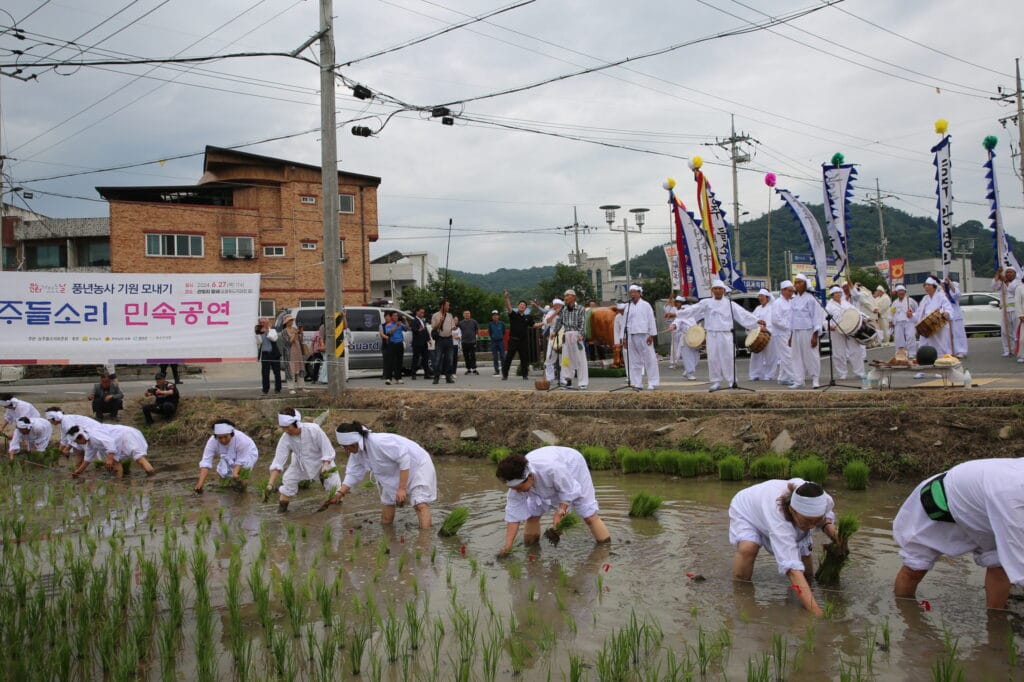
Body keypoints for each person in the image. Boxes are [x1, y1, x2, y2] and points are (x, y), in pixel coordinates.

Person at [892, 458, 1024, 610]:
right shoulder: (1011, 498)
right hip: (945, 502)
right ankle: (905, 612)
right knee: (915, 568)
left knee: (1000, 565)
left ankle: (996, 619)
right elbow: (1020, 565)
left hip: (985, 509)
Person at [729, 479, 839, 616]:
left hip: (778, 509)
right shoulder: (778, 519)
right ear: (792, 510)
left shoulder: (822, 498)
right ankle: (742, 596)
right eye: (808, 521)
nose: (812, 527)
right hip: (747, 510)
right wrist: (817, 613)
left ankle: (803, 594)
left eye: (815, 521)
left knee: (807, 573)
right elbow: (791, 569)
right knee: (748, 548)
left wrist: (835, 536)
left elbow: (825, 519)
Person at [494, 447, 611, 556]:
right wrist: (508, 545)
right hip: (547, 475)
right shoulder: (517, 486)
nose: (517, 491)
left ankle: (605, 550)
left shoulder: (552, 468)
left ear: (529, 476)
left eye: (519, 488)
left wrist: (560, 511)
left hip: (572, 466)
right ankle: (531, 551)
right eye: (514, 489)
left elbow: (568, 490)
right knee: (533, 516)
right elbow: (513, 516)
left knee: (588, 515)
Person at [331, 422, 438, 528]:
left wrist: (401, 489)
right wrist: (339, 494)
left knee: (419, 504)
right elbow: (353, 474)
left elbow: (404, 459)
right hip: (392, 472)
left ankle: (424, 541)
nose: (346, 451)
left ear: (354, 442)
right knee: (387, 503)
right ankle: (388, 534)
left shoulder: (379, 442)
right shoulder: (357, 452)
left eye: (346, 447)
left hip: (417, 466)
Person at [677, 280, 762, 392]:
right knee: (713, 358)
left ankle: (732, 381)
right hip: (712, 334)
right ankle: (716, 381)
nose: (717, 291)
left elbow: (743, 314)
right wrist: (677, 314)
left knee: (728, 358)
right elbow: (693, 309)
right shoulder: (706, 302)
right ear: (712, 290)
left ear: (724, 290)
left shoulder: (729, 303)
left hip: (725, 334)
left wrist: (757, 321)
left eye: (720, 289)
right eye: (715, 289)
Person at [266, 407, 340, 512]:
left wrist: (325, 465)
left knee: (335, 491)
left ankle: (334, 514)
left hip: (322, 462)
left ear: (296, 423)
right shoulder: (285, 437)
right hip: (299, 464)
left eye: (287, 427)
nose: (285, 431)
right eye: (283, 428)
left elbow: (327, 449)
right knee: (288, 481)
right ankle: (282, 512)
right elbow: (278, 461)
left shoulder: (314, 430)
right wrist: (270, 484)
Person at [67, 423, 156, 479]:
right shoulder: (90, 442)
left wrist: (109, 459)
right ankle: (119, 484)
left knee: (139, 459)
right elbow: (87, 459)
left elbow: (110, 442)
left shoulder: (94, 435)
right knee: (115, 463)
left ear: (80, 437)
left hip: (127, 436)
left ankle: (152, 478)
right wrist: (78, 472)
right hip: (119, 442)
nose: (78, 444)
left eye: (76, 441)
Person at [194, 419, 259, 494]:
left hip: (247, 453)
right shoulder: (212, 442)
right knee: (223, 475)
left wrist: (235, 473)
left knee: (240, 477)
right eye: (220, 438)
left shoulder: (241, 440)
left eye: (226, 437)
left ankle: (243, 495)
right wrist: (200, 483)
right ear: (216, 436)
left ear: (231, 434)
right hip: (227, 455)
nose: (223, 440)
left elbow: (241, 459)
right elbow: (206, 462)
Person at [787, 274, 826, 389]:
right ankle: (799, 380)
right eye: (796, 282)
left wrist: (815, 335)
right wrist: (791, 335)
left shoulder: (811, 299)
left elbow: (816, 318)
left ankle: (815, 379)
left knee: (811, 356)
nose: (797, 285)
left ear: (805, 284)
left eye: (799, 282)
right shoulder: (794, 300)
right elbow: (792, 319)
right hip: (796, 331)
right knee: (796, 356)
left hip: (808, 331)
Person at [912, 277, 953, 376]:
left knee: (940, 347)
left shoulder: (941, 296)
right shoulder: (925, 299)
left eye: (928, 285)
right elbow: (918, 313)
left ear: (934, 287)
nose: (926, 287)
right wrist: (911, 315)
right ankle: (922, 370)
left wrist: (947, 313)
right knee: (922, 347)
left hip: (938, 326)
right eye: (925, 285)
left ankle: (940, 369)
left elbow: (948, 308)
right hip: (926, 326)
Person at [621, 284, 660, 390]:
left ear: (639, 293)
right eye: (631, 292)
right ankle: (637, 383)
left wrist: (651, 335)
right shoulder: (628, 306)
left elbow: (651, 320)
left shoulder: (646, 305)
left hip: (644, 335)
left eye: (634, 292)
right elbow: (624, 322)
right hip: (631, 335)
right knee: (634, 361)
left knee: (649, 359)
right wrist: (623, 338)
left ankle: (652, 382)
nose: (632, 294)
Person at [825, 285, 865, 381]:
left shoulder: (846, 303)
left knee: (856, 350)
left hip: (850, 329)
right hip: (836, 331)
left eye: (839, 293)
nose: (838, 294)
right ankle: (842, 373)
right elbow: (824, 319)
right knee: (838, 353)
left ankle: (860, 372)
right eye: (836, 293)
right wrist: (829, 326)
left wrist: (865, 317)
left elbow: (856, 312)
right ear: (832, 295)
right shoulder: (828, 306)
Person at [552, 289, 589, 389]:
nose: (565, 298)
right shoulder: (563, 310)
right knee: (565, 359)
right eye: (564, 296)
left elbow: (583, 323)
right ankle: (567, 380)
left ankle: (583, 383)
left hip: (577, 334)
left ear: (573, 297)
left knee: (580, 359)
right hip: (566, 334)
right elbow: (559, 322)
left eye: (567, 296)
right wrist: (554, 332)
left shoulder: (581, 308)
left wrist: (581, 334)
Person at [502, 292, 535, 381]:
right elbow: (509, 307)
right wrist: (506, 298)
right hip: (513, 340)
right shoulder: (513, 314)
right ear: (518, 306)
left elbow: (534, 325)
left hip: (523, 341)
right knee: (509, 358)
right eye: (521, 305)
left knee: (524, 359)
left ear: (526, 308)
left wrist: (545, 322)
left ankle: (525, 375)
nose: (522, 306)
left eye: (524, 305)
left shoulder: (528, 317)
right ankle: (505, 375)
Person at [749, 289, 779, 382]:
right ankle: (755, 374)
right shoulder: (757, 308)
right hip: (758, 334)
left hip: (769, 334)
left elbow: (773, 321)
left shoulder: (772, 308)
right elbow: (753, 320)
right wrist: (752, 328)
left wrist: (767, 329)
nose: (760, 298)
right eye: (759, 296)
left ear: (767, 297)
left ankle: (769, 374)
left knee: (770, 355)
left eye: (762, 296)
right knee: (755, 354)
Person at [667, 296, 699, 381]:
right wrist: (672, 326)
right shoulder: (680, 313)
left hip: (695, 335)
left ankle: (687, 371)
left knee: (696, 355)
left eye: (677, 302)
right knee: (687, 355)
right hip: (686, 336)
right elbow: (677, 321)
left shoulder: (689, 311)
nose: (676, 303)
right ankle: (690, 373)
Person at [991, 267, 1020, 357]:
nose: (1008, 274)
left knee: (1016, 331)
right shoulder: (1001, 282)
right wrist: (997, 274)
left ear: (1014, 274)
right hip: (1004, 309)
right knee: (1005, 331)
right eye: (1007, 272)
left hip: (1016, 309)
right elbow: (993, 287)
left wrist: (1006, 282)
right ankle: (1008, 349)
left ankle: (1017, 349)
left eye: (1010, 272)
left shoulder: (1018, 283)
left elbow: (1013, 290)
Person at [771, 281, 796, 386]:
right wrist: (788, 326)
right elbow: (776, 320)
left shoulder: (790, 302)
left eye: (792, 291)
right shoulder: (777, 303)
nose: (791, 293)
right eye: (789, 291)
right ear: (783, 291)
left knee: (786, 356)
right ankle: (794, 377)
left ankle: (783, 378)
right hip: (780, 333)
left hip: (788, 333)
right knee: (788, 356)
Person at [430, 300, 457, 384]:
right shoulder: (435, 315)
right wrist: (440, 321)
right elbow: (434, 327)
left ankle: (448, 377)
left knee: (450, 359)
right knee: (438, 359)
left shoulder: (450, 315)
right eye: (447, 305)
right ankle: (436, 377)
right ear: (442, 306)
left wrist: (454, 327)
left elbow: (453, 326)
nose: (448, 307)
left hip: (449, 339)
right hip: (440, 340)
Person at [890, 285, 918, 357]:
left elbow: (918, 310)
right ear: (897, 293)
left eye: (902, 291)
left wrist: (913, 314)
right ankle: (900, 353)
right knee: (899, 338)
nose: (901, 293)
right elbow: (891, 312)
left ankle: (912, 353)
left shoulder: (910, 300)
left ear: (905, 292)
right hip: (898, 322)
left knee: (910, 337)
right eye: (899, 291)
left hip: (909, 321)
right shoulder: (894, 303)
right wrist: (890, 321)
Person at [256, 319, 282, 395]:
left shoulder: (272, 330)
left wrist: (266, 332)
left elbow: (274, 339)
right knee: (265, 373)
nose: (262, 324)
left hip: (274, 354)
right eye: (260, 323)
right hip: (265, 354)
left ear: (268, 323)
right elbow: (259, 342)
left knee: (277, 372)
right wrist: (257, 334)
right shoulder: (260, 332)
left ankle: (278, 389)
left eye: (263, 322)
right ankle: (265, 390)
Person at [943, 278, 968, 359]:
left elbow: (957, 294)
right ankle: (950, 351)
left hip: (956, 316)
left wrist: (950, 283)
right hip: (946, 316)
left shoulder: (955, 292)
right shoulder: (942, 293)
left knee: (958, 334)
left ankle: (961, 351)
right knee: (947, 335)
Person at [542, 299, 564, 385]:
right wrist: (555, 313)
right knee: (549, 356)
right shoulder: (550, 312)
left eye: (558, 305)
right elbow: (546, 322)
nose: (556, 306)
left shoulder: (565, 312)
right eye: (555, 305)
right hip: (552, 335)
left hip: (563, 335)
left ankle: (563, 378)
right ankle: (550, 378)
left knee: (564, 358)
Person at [282, 315, 305, 392]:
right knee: (291, 370)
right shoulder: (284, 331)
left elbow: (300, 340)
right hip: (290, 353)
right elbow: (288, 342)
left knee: (300, 369)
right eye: (290, 320)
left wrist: (301, 333)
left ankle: (301, 387)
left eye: (292, 320)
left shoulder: (295, 329)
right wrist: (294, 334)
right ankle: (291, 388)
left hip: (298, 351)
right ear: (286, 322)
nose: (291, 322)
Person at [383, 311, 407, 385]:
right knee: (390, 361)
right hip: (392, 344)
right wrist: (396, 326)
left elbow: (406, 328)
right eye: (394, 316)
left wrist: (405, 320)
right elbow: (389, 333)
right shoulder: (388, 324)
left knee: (399, 362)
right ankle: (388, 378)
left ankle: (398, 378)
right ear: (391, 317)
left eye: (396, 316)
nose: (395, 317)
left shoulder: (400, 324)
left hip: (400, 344)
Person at [409, 307, 433, 380]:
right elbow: (413, 330)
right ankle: (413, 374)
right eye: (421, 312)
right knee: (415, 359)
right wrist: (418, 330)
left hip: (424, 343)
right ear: (417, 312)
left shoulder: (423, 321)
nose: (422, 314)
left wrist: (429, 339)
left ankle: (426, 374)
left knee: (425, 358)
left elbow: (425, 331)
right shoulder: (414, 320)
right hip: (417, 343)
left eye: (423, 312)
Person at [458, 310, 480, 375]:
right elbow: (457, 330)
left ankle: (474, 369)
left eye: (468, 313)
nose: (467, 315)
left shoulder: (474, 322)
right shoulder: (460, 323)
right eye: (466, 314)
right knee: (466, 356)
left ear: (470, 314)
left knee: (473, 356)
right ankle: (468, 369)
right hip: (464, 342)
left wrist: (478, 336)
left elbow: (478, 329)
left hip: (472, 341)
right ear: (463, 315)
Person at [488, 310, 506, 377]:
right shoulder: (490, 324)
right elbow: (490, 333)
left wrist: (500, 336)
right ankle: (496, 370)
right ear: (492, 317)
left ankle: (504, 370)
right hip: (494, 342)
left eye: (496, 315)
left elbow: (504, 332)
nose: (495, 316)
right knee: (495, 357)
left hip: (501, 341)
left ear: (498, 316)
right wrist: (493, 337)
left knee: (503, 356)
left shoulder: (502, 323)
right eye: (494, 315)